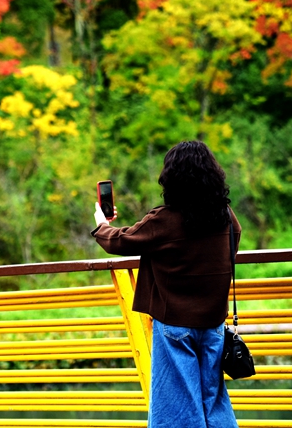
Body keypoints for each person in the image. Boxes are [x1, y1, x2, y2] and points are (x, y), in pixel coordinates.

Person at [92, 140, 241, 428]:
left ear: (172, 178)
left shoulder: (164, 219)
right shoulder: (224, 216)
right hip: (212, 325)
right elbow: (232, 241)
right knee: (213, 401)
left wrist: (102, 224)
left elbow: (120, 240)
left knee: (176, 409)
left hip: (174, 326)